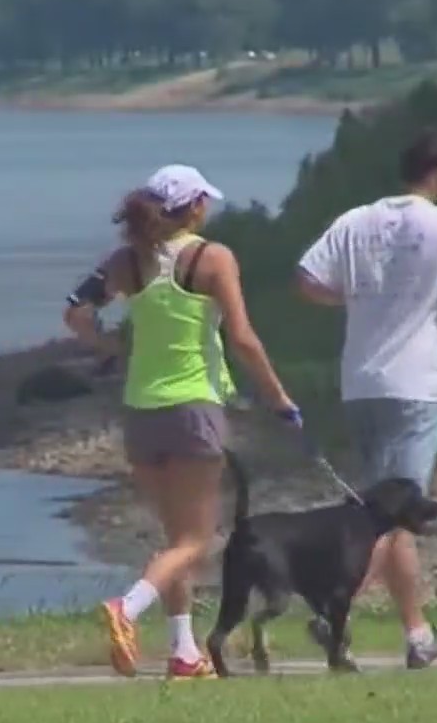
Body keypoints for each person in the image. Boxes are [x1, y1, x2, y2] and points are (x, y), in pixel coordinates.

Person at [64, 164, 300, 680]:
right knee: (196, 539)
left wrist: (112, 347)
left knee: (174, 539)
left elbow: (75, 313)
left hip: (141, 409)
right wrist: (279, 397)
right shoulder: (212, 258)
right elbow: (241, 337)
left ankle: (184, 653)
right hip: (194, 406)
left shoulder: (127, 261)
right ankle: (126, 609)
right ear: (193, 206)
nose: (207, 208)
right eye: (204, 201)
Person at [292, 129, 437, 670]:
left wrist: (359, 300)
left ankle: (417, 633)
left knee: (385, 512)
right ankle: (337, 608)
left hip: (362, 382)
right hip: (419, 383)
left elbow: (308, 280)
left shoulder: (357, 221)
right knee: (393, 518)